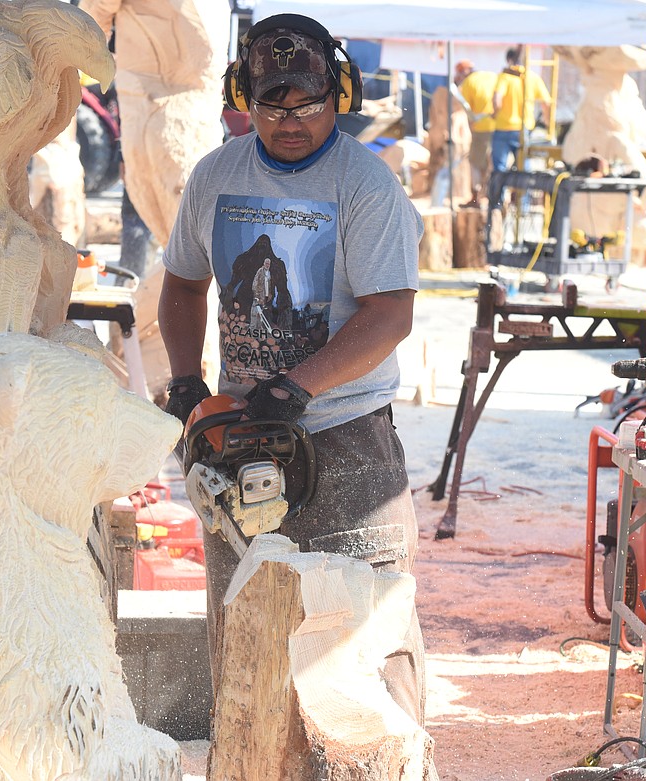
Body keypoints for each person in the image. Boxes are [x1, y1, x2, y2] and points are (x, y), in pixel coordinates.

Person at [158, 12, 433, 752]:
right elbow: (182, 286)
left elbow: (389, 316)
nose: (289, 120)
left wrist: (301, 383)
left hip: (346, 441)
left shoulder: (365, 186)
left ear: (337, 95)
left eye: (307, 103)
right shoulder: (216, 176)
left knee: (367, 642)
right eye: (272, 104)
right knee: (248, 638)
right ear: (243, 98)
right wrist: (187, 382)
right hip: (238, 439)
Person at [489, 45, 552, 173]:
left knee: (499, 169)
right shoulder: (532, 77)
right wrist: (547, 121)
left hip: (503, 127)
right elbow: (546, 102)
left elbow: (497, 99)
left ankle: (499, 192)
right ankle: (523, 193)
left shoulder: (505, 77)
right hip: (524, 129)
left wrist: (495, 113)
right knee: (524, 168)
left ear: (508, 60)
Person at [454, 59, 497, 205]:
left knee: (474, 162)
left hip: (482, 127)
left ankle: (475, 196)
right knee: (493, 163)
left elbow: (469, 112)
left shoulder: (468, 83)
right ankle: (496, 197)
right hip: (500, 126)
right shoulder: (491, 76)